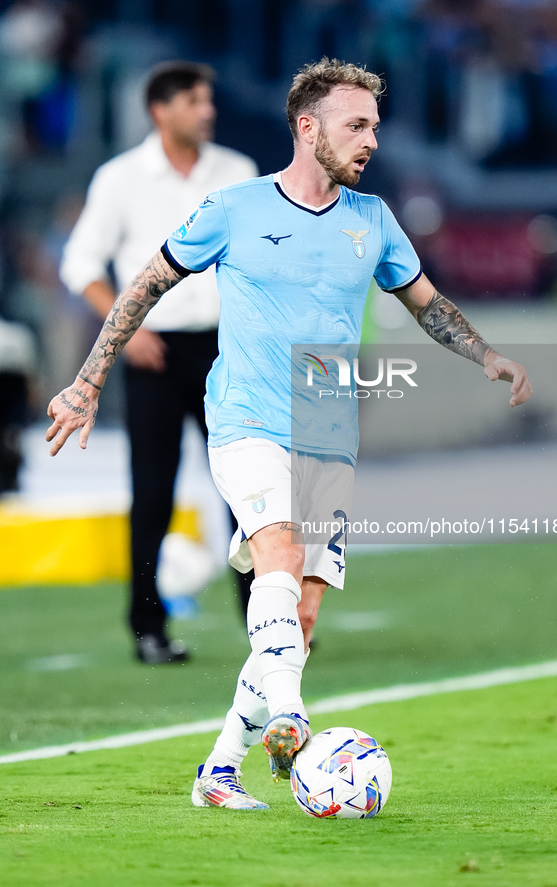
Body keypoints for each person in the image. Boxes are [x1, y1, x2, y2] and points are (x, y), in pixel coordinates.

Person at [46, 58, 532, 808]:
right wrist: (86, 381)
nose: (371, 139)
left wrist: (486, 354)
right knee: (273, 546)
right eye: (356, 124)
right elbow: (144, 284)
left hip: (328, 430)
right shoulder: (233, 207)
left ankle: (218, 769)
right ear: (308, 128)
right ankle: (290, 716)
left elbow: (426, 304)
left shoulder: (372, 221)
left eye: (374, 125)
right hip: (246, 417)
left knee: (301, 613)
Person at [59, 61, 258, 665]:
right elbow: (81, 265)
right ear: (160, 111)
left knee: (249, 492)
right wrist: (131, 327)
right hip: (152, 351)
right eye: (195, 101)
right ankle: (148, 628)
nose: (208, 111)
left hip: (224, 349)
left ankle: (267, 627)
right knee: (153, 494)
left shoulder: (238, 172)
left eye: (208, 100)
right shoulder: (120, 179)